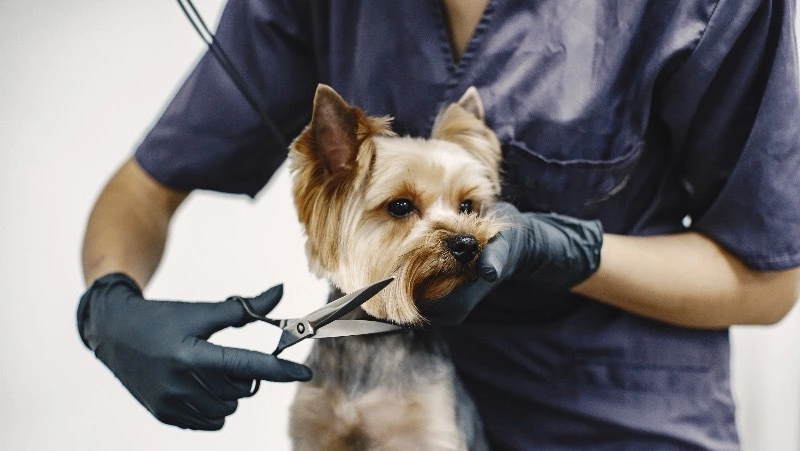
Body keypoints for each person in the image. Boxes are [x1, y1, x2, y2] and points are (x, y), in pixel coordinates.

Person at [78, 0, 800, 448]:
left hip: (619, 419)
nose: (451, 229)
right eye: (401, 206)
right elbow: (142, 189)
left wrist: (567, 252)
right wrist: (111, 307)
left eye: (468, 206)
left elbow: (770, 282)